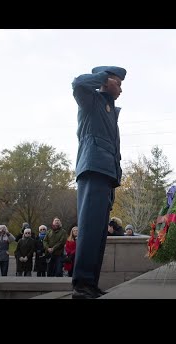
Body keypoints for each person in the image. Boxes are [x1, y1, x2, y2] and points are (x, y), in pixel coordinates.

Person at [71, 65, 127, 299]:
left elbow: (115, 152)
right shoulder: (91, 100)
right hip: (93, 169)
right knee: (89, 229)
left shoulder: (112, 113)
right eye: (119, 83)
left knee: (99, 234)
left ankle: (91, 283)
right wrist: (103, 78)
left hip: (107, 175)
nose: (121, 89)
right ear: (108, 80)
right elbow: (78, 83)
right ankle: (82, 284)